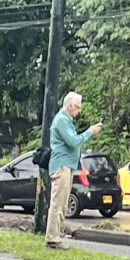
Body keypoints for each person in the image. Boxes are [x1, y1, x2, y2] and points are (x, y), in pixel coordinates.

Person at [44, 90, 96, 248]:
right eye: (78, 107)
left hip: (67, 165)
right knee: (58, 203)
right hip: (62, 165)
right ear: (70, 106)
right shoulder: (61, 120)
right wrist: (90, 132)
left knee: (63, 204)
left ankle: (55, 236)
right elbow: (73, 141)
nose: (79, 111)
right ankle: (52, 238)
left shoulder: (65, 120)